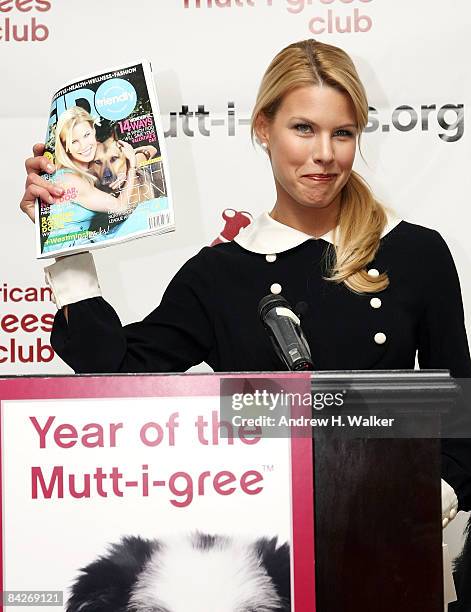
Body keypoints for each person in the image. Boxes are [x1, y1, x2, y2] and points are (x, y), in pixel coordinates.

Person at [19, 37, 471, 585]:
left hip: (390, 555)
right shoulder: (220, 275)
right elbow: (113, 371)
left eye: (343, 132)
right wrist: (65, 241)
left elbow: (459, 402)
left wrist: (435, 491)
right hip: (263, 568)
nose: (324, 153)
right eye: (303, 128)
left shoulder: (415, 252)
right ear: (263, 127)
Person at [39, 106, 156, 253]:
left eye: (86, 135)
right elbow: (121, 207)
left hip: (79, 245)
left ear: (94, 130)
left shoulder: (82, 165)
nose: (84, 146)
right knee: (150, 212)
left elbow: (151, 149)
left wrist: (125, 169)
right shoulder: (71, 179)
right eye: (74, 141)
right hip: (68, 249)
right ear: (65, 145)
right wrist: (131, 166)